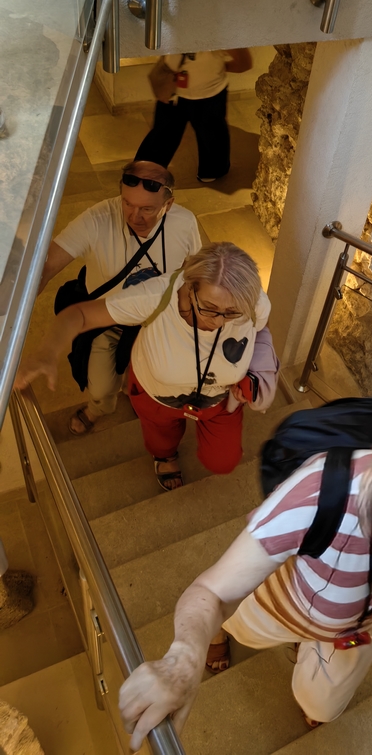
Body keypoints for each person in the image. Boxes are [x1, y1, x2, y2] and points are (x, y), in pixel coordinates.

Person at [116, 390, 372, 750]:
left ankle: (315, 684)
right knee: (234, 621)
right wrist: (184, 660)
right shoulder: (317, 497)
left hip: (356, 625)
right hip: (286, 602)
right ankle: (224, 632)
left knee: (323, 704)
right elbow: (216, 592)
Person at [18, 242, 274, 490]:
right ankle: (164, 456)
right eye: (209, 308)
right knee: (161, 440)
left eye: (231, 313)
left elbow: (260, 328)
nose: (219, 321)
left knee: (223, 461)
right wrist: (46, 352)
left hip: (219, 402)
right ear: (189, 285)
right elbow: (81, 315)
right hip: (156, 397)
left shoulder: (251, 302)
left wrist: (258, 371)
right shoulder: (156, 297)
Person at [37, 160, 201, 435]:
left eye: (147, 209)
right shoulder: (97, 219)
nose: (135, 216)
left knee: (152, 379)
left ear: (168, 204)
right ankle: (98, 407)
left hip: (154, 323)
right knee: (101, 387)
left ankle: (133, 389)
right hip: (107, 321)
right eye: (127, 204)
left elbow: (193, 269)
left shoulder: (185, 223)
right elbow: (46, 267)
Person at [135, 49, 253, 183]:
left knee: (209, 135)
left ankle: (212, 170)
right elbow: (244, 63)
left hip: (206, 95)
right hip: (175, 90)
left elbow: (244, 63)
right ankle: (144, 173)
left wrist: (222, 67)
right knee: (164, 135)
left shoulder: (220, 36)